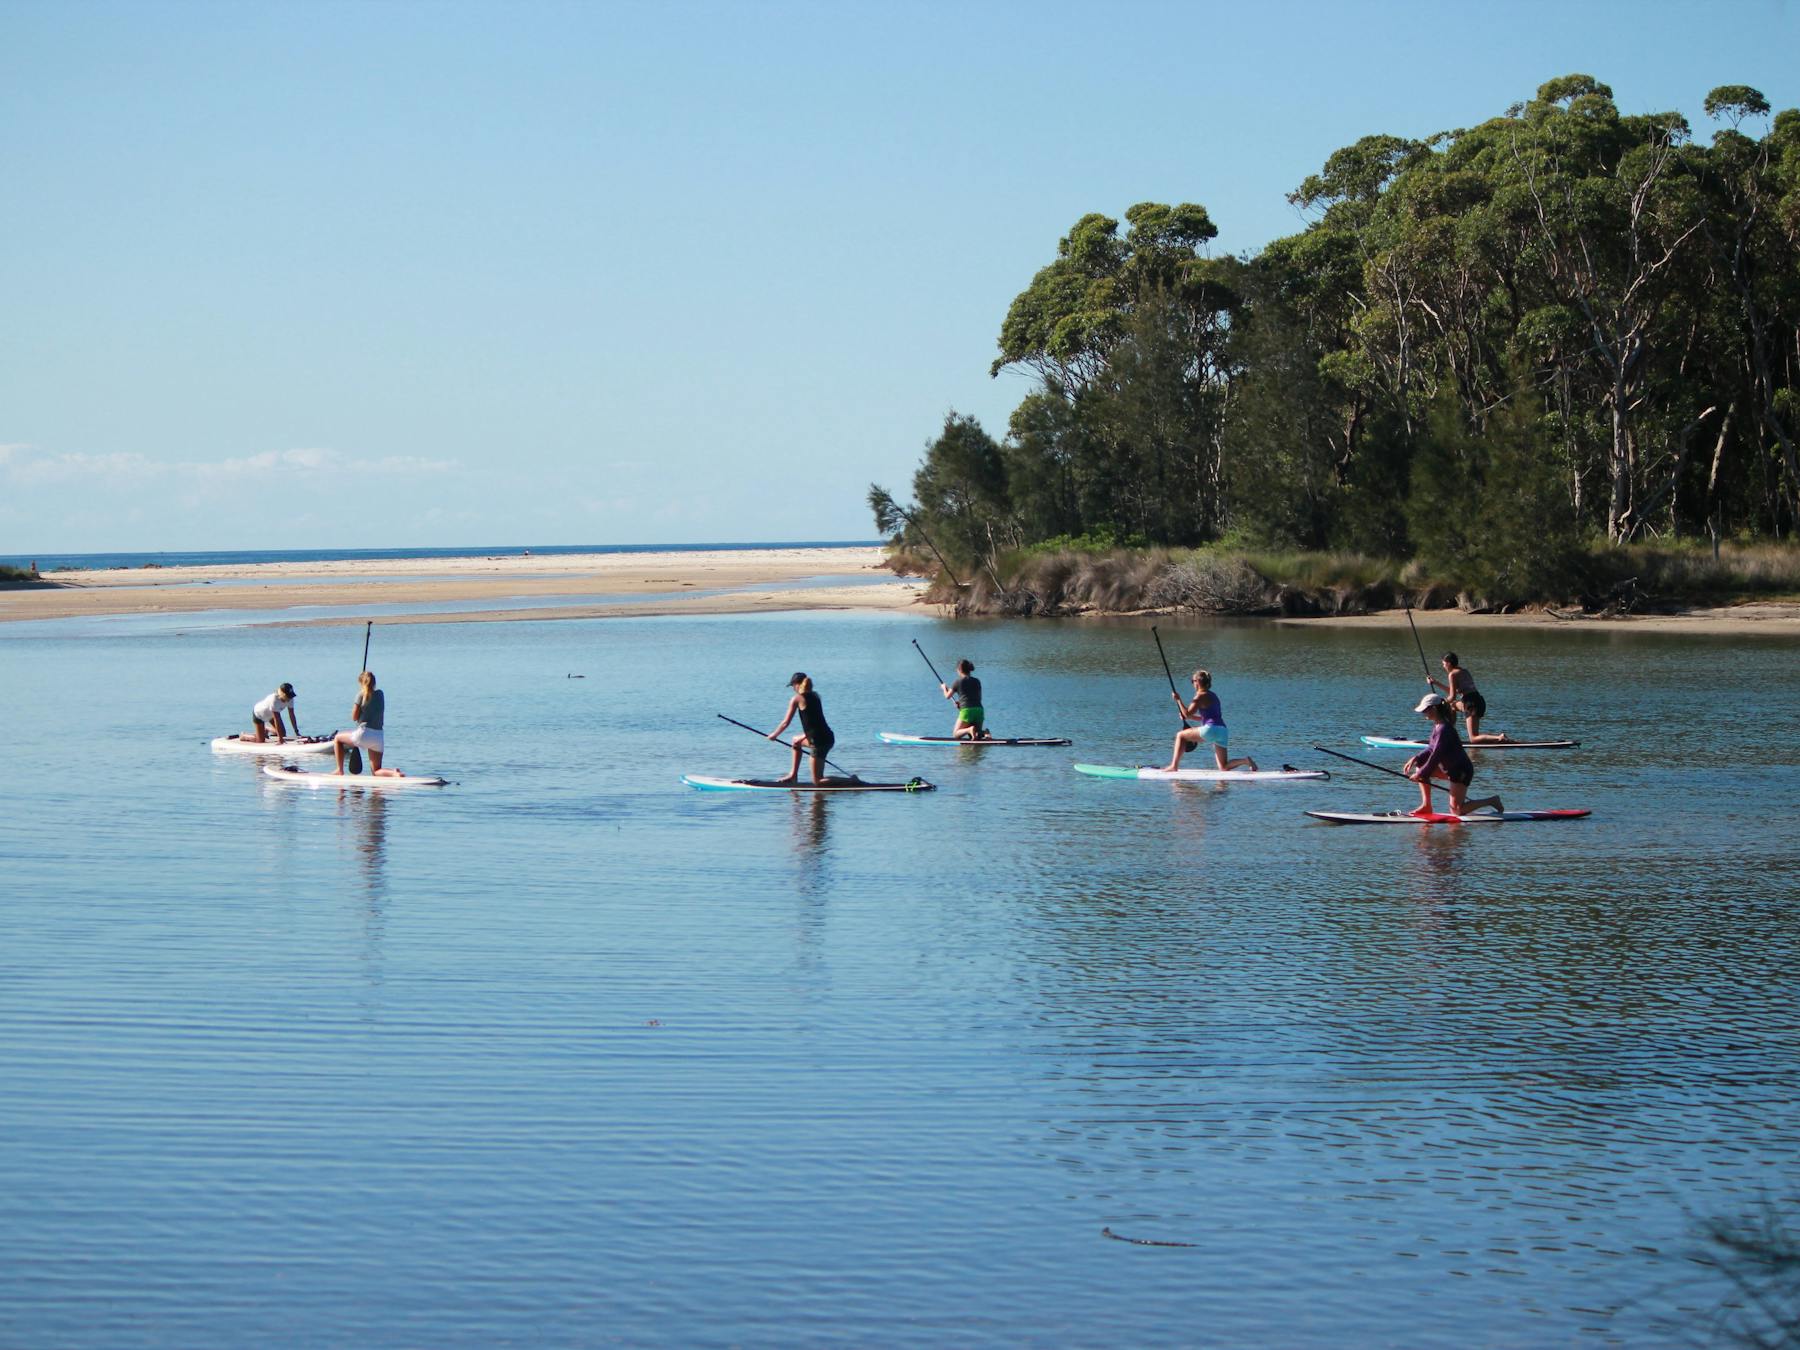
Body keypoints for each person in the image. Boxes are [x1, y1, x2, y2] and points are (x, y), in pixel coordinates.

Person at [1406, 693, 1503, 816]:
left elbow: (1436, 755)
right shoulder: (1438, 726)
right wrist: (1416, 758)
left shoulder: (1444, 729)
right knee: (1420, 764)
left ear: (1434, 709)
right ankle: (1427, 806)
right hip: (1449, 769)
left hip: (1461, 771)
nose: (1423, 713)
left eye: (1425, 710)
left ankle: (1492, 801)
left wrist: (1420, 774)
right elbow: (1431, 748)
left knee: (1456, 810)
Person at [1161, 669, 1257, 773]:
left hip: (1211, 730)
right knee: (1223, 767)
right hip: (1223, 731)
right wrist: (1190, 717)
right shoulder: (1213, 696)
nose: (1192, 684)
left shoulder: (1199, 696)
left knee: (1180, 735)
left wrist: (1178, 700)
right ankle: (1245, 761)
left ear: (1197, 682)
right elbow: (1205, 717)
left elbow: (1187, 713)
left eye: (1192, 681)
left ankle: (1173, 766)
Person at [768, 672, 837, 784]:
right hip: (827, 736)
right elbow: (816, 723)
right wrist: (804, 736)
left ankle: (852, 781)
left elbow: (785, 723)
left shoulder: (797, 699)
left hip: (819, 742)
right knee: (796, 741)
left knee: (817, 781)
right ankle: (793, 775)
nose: (793, 689)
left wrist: (774, 735)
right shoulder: (816, 696)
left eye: (792, 685)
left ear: (797, 684)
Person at [1428, 651, 1510, 744]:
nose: (1443, 666)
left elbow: (1452, 696)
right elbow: (1454, 691)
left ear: (1449, 663)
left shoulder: (1452, 674)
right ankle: (1449, 734)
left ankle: (1500, 737)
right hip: (1478, 700)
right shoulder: (1464, 671)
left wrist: (1441, 702)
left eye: (1443, 664)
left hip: (1471, 704)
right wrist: (1435, 683)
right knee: (1452, 706)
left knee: (1473, 738)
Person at [332, 671, 385, 774]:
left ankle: (339, 769)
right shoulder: (380, 694)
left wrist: (360, 703)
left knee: (337, 738)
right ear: (374, 682)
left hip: (364, 734)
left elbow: (354, 717)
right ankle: (394, 773)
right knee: (376, 771)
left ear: (361, 683)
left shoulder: (360, 695)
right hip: (378, 736)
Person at [941, 659, 988, 740]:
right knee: (976, 735)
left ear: (959, 669)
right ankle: (985, 733)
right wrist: (961, 704)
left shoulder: (957, 682)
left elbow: (947, 696)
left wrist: (944, 688)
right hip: (979, 710)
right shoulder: (977, 681)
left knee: (956, 734)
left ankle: (969, 729)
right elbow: (979, 698)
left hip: (967, 711)